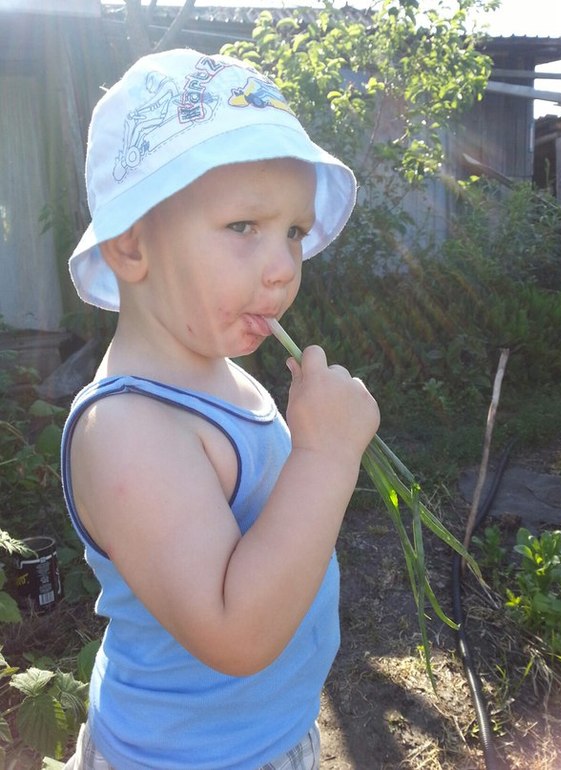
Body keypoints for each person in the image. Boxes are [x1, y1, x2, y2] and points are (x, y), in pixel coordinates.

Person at [61, 48, 380, 770]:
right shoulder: (129, 430)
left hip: (266, 737)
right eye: (244, 227)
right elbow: (235, 632)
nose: (284, 267)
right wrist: (325, 456)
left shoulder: (221, 376)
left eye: (294, 232)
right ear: (131, 243)